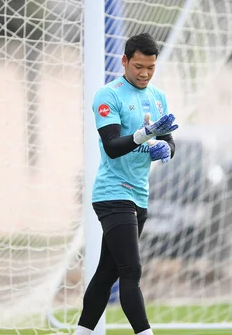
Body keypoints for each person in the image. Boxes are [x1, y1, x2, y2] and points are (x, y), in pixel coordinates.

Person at [75, 33, 178, 335]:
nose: (144, 73)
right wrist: (147, 134)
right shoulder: (108, 95)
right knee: (130, 271)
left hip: (139, 195)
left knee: (106, 273)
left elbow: (169, 140)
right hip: (112, 192)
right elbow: (112, 146)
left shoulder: (157, 97)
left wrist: (166, 150)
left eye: (150, 68)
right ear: (124, 61)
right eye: (138, 67)